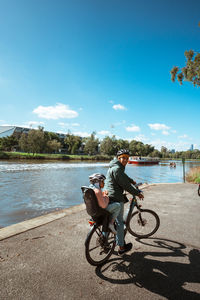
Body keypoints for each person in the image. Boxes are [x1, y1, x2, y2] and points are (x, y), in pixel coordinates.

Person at [105, 149, 144, 255]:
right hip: (116, 198)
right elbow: (125, 185)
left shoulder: (114, 167)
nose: (126, 160)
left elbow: (123, 177)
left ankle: (104, 241)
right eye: (123, 158)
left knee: (108, 221)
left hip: (108, 196)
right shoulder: (117, 169)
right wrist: (137, 193)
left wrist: (132, 180)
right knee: (120, 222)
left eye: (127, 158)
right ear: (119, 158)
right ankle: (121, 247)